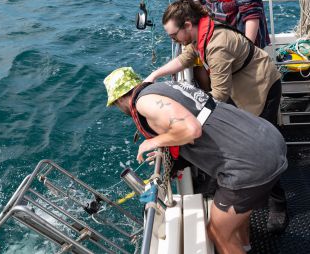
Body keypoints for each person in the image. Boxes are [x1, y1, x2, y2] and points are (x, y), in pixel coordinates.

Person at [104, 67, 288, 254]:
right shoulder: (167, 87)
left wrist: (153, 142)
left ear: (119, 99)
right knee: (235, 219)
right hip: (269, 140)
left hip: (249, 165)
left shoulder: (143, 102)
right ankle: (245, 246)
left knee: (218, 233)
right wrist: (168, 142)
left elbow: (191, 130)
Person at [144, 0, 288, 231]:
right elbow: (186, 58)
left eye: (173, 36)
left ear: (187, 26)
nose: (174, 41)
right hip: (241, 87)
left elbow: (219, 95)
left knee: (262, 147)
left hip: (262, 86)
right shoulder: (200, 34)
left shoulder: (216, 44)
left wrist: (186, 117)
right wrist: (155, 75)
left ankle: (278, 205)